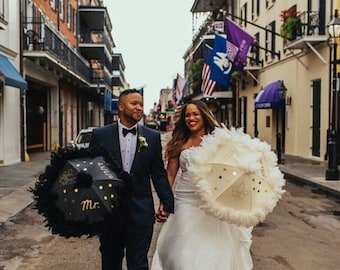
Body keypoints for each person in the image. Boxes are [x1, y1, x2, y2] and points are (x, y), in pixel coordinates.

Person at [151, 100, 253, 270]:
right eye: (187, 115)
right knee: (180, 251)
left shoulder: (219, 141)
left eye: (195, 114)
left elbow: (232, 170)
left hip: (211, 204)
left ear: (204, 116)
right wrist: (165, 201)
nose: (191, 118)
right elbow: (170, 174)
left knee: (212, 251)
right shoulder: (179, 142)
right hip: (184, 203)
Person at [90, 89, 174, 270]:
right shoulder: (100, 135)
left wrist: (167, 203)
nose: (139, 108)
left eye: (141, 104)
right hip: (110, 213)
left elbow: (158, 173)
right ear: (120, 107)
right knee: (110, 262)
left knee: (138, 263)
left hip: (141, 212)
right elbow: (92, 171)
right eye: (133, 103)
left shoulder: (152, 137)